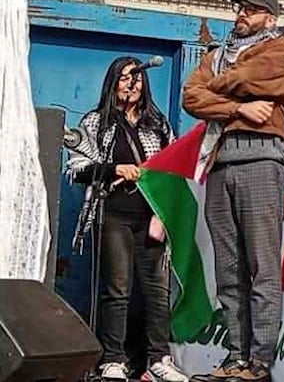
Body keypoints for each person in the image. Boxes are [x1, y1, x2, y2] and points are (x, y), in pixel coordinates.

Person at [182, 0, 284, 382]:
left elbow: (256, 75)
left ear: (269, 18)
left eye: (252, 9)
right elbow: (190, 97)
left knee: (262, 267)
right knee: (229, 268)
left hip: (261, 158)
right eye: (240, 7)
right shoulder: (216, 54)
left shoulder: (283, 46)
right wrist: (239, 106)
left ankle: (260, 362)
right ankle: (236, 357)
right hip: (220, 160)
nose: (242, 14)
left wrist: (219, 86)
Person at [67, 57, 187, 382]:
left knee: (157, 291)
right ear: (112, 84)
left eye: (137, 78)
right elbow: (76, 169)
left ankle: (158, 359)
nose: (132, 84)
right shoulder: (97, 122)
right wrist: (113, 169)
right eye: (124, 78)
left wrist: (166, 209)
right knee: (118, 289)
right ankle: (113, 359)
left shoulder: (158, 124)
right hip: (114, 214)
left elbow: (174, 168)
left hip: (152, 218)